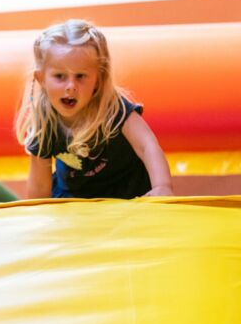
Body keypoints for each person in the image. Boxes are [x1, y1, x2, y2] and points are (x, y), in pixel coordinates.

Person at [15, 19, 173, 199]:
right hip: (75, 198)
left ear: (98, 79)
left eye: (81, 76)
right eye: (60, 76)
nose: (71, 86)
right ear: (41, 78)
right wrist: (37, 215)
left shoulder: (112, 108)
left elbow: (146, 145)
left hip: (127, 190)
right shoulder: (45, 120)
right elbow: (39, 185)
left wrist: (162, 186)